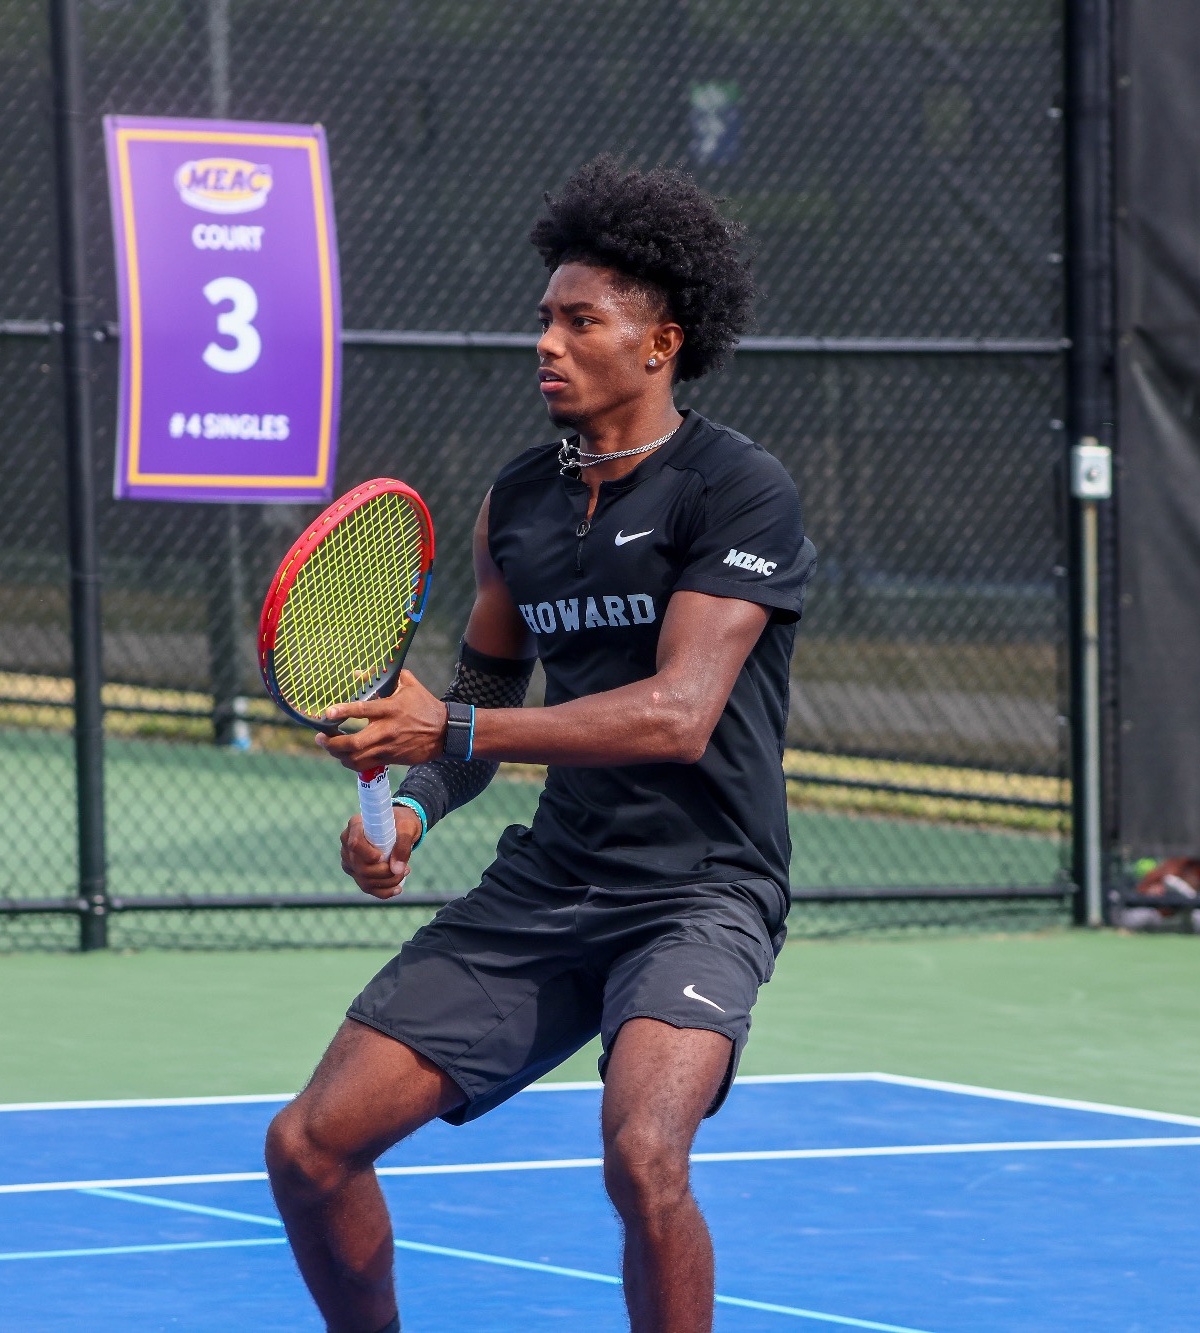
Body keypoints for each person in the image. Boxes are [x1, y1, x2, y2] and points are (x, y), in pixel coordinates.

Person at [263, 157, 816, 1333]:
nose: (547, 344)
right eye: (543, 320)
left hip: (701, 891)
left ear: (659, 342)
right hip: (551, 880)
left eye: (581, 321)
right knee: (309, 1147)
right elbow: (475, 712)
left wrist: (449, 722)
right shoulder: (515, 503)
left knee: (641, 1155)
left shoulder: (736, 491)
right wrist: (412, 804)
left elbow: (678, 715)